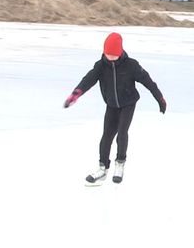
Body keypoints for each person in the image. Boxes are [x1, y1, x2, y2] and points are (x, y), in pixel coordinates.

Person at [63, 32, 166, 184]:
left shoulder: (131, 65)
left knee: (122, 133)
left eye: (113, 55)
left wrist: (160, 98)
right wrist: (75, 94)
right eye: (107, 54)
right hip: (111, 105)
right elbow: (88, 80)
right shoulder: (100, 66)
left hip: (128, 104)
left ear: (120, 52)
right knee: (106, 137)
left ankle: (120, 164)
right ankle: (102, 169)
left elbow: (148, 82)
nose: (110, 57)